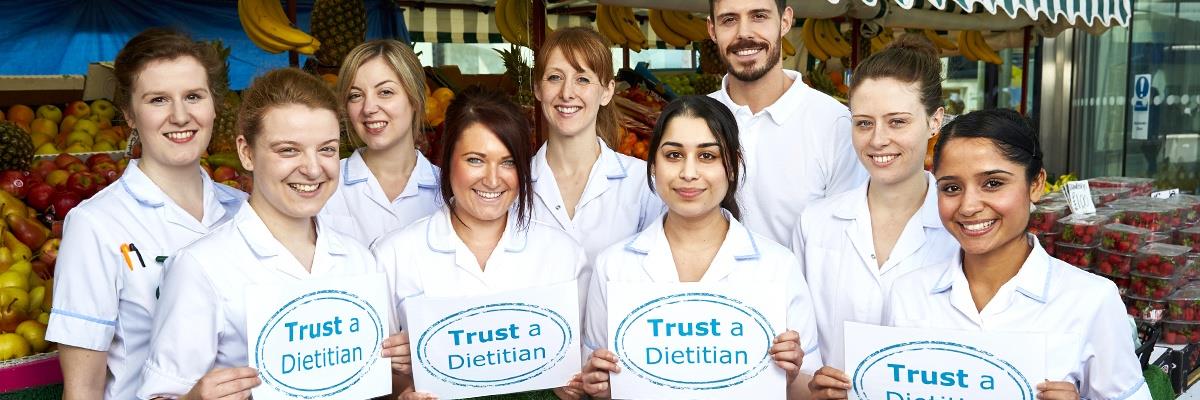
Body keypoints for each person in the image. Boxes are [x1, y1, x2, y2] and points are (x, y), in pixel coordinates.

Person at [829, 109, 1149, 399]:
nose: (969, 206)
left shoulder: (1091, 300)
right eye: (951, 188)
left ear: (1036, 184)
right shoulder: (909, 293)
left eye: (993, 183)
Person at [136, 68, 387, 399]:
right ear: (247, 153)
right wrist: (194, 398)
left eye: (326, 149)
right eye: (288, 150)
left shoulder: (358, 260)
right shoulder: (202, 267)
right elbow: (160, 393)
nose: (313, 169)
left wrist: (398, 384)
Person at [46, 28, 247, 400]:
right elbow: (83, 391)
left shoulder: (245, 212)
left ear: (214, 105)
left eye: (193, 96)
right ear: (130, 114)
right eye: (158, 100)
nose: (180, 115)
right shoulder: (96, 225)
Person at [577, 96, 820, 399]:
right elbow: (601, 380)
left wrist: (791, 374)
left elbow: (808, 389)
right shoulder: (613, 266)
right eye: (674, 155)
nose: (688, 172)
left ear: (732, 166)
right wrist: (598, 386)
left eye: (707, 156)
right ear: (653, 165)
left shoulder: (778, 267)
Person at [372, 86, 587, 399]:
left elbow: (579, 372)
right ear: (447, 160)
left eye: (508, 162)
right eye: (475, 160)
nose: (492, 178)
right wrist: (402, 393)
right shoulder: (393, 255)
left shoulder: (563, 255)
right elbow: (381, 378)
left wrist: (576, 387)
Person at [794, 35, 959, 387]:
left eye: (897, 122)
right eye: (864, 123)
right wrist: (809, 384)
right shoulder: (817, 223)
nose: (878, 139)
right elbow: (798, 337)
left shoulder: (961, 228)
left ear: (934, 121)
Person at [706, 0, 866, 246]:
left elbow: (843, 244)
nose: (744, 33)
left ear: (785, 21)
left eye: (759, 16)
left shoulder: (835, 124)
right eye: (729, 19)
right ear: (712, 30)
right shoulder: (694, 122)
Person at [531, 27, 663, 262]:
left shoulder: (643, 184)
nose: (567, 93)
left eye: (582, 79)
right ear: (538, 89)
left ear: (607, 91)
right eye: (554, 77)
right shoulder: (514, 184)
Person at [321, 40, 441, 246]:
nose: (368, 108)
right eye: (356, 95)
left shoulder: (449, 190)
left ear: (415, 99)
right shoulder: (323, 183)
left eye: (385, 92)